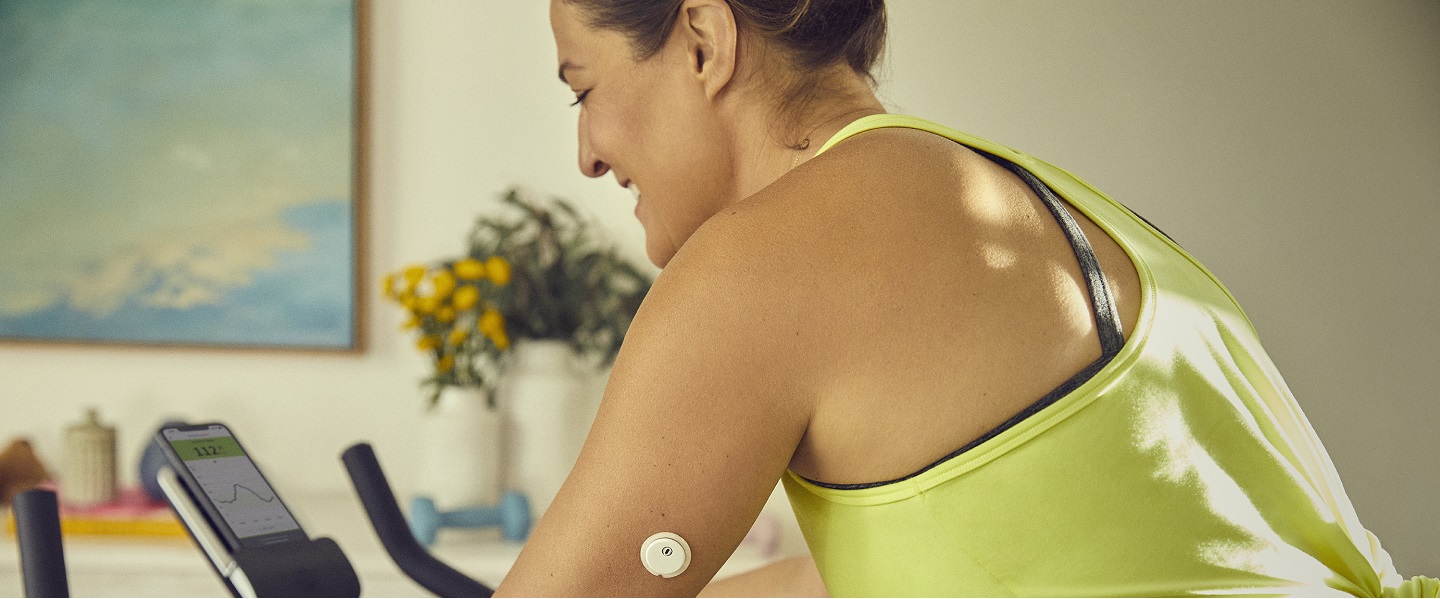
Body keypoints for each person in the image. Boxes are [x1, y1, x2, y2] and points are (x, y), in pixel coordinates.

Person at [495, 0, 1437, 596]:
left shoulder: (763, 263)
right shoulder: (1044, 203)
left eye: (584, 89)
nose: (585, 153)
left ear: (702, 41)